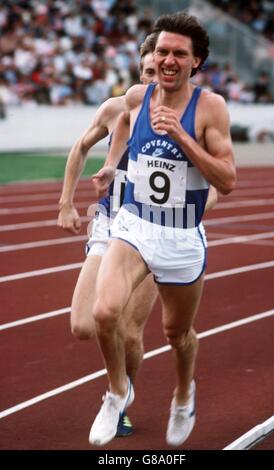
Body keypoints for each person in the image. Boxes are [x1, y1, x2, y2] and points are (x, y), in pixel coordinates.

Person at [89, 11, 236, 447]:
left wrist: (183, 137)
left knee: (177, 335)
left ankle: (184, 392)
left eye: (178, 54)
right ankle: (117, 393)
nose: (167, 60)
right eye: (161, 52)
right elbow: (120, 131)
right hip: (133, 225)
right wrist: (111, 167)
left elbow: (227, 181)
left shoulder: (211, 108)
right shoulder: (136, 97)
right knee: (104, 312)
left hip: (181, 235)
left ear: (196, 62)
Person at [57, 34, 159, 437]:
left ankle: (118, 399)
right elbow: (81, 147)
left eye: (162, 70)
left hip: (153, 230)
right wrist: (66, 201)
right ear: (139, 72)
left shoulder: (184, 116)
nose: (155, 77)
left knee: (131, 330)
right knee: (85, 323)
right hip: (109, 223)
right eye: (148, 70)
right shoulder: (116, 109)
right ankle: (121, 383)